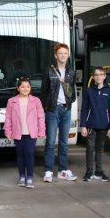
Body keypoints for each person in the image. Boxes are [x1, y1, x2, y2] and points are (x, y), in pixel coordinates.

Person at [41, 43, 78, 183]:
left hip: (66, 109)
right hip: (52, 109)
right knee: (50, 141)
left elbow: (72, 92)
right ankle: (48, 171)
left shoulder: (71, 72)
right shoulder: (49, 71)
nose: (63, 55)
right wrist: (47, 107)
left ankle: (63, 170)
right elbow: (44, 92)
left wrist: (69, 101)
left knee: (64, 142)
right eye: (60, 53)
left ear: (68, 55)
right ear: (56, 55)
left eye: (65, 53)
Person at [5, 77, 46, 188]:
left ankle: (30, 177)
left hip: (31, 132)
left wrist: (42, 130)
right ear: (18, 88)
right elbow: (8, 117)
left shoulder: (36, 100)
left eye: (28, 86)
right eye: (22, 87)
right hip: (18, 132)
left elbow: (41, 116)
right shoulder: (12, 101)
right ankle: (22, 176)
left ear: (30, 88)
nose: (25, 89)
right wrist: (8, 131)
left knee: (29, 153)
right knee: (20, 154)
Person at [80, 67, 110, 182]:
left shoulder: (109, 92)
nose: (98, 77)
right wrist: (83, 125)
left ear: (105, 76)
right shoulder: (89, 91)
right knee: (90, 148)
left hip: (104, 125)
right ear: (93, 77)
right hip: (91, 125)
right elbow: (84, 109)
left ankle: (99, 172)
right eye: (96, 75)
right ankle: (89, 172)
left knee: (100, 149)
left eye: (101, 74)